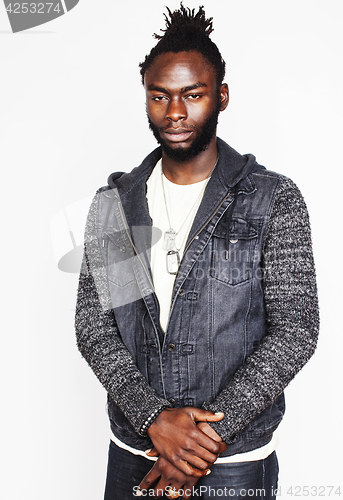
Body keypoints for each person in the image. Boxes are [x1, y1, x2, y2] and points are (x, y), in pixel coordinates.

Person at [75, 4, 319, 499]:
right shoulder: (116, 205)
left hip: (232, 466)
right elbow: (94, 327)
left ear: (221, 97)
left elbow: (296, 330)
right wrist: (153, 420)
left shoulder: (273, 199)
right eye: (160, 96)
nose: (176, 112)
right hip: (134, 458)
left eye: (193, 94)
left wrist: (202, 443)